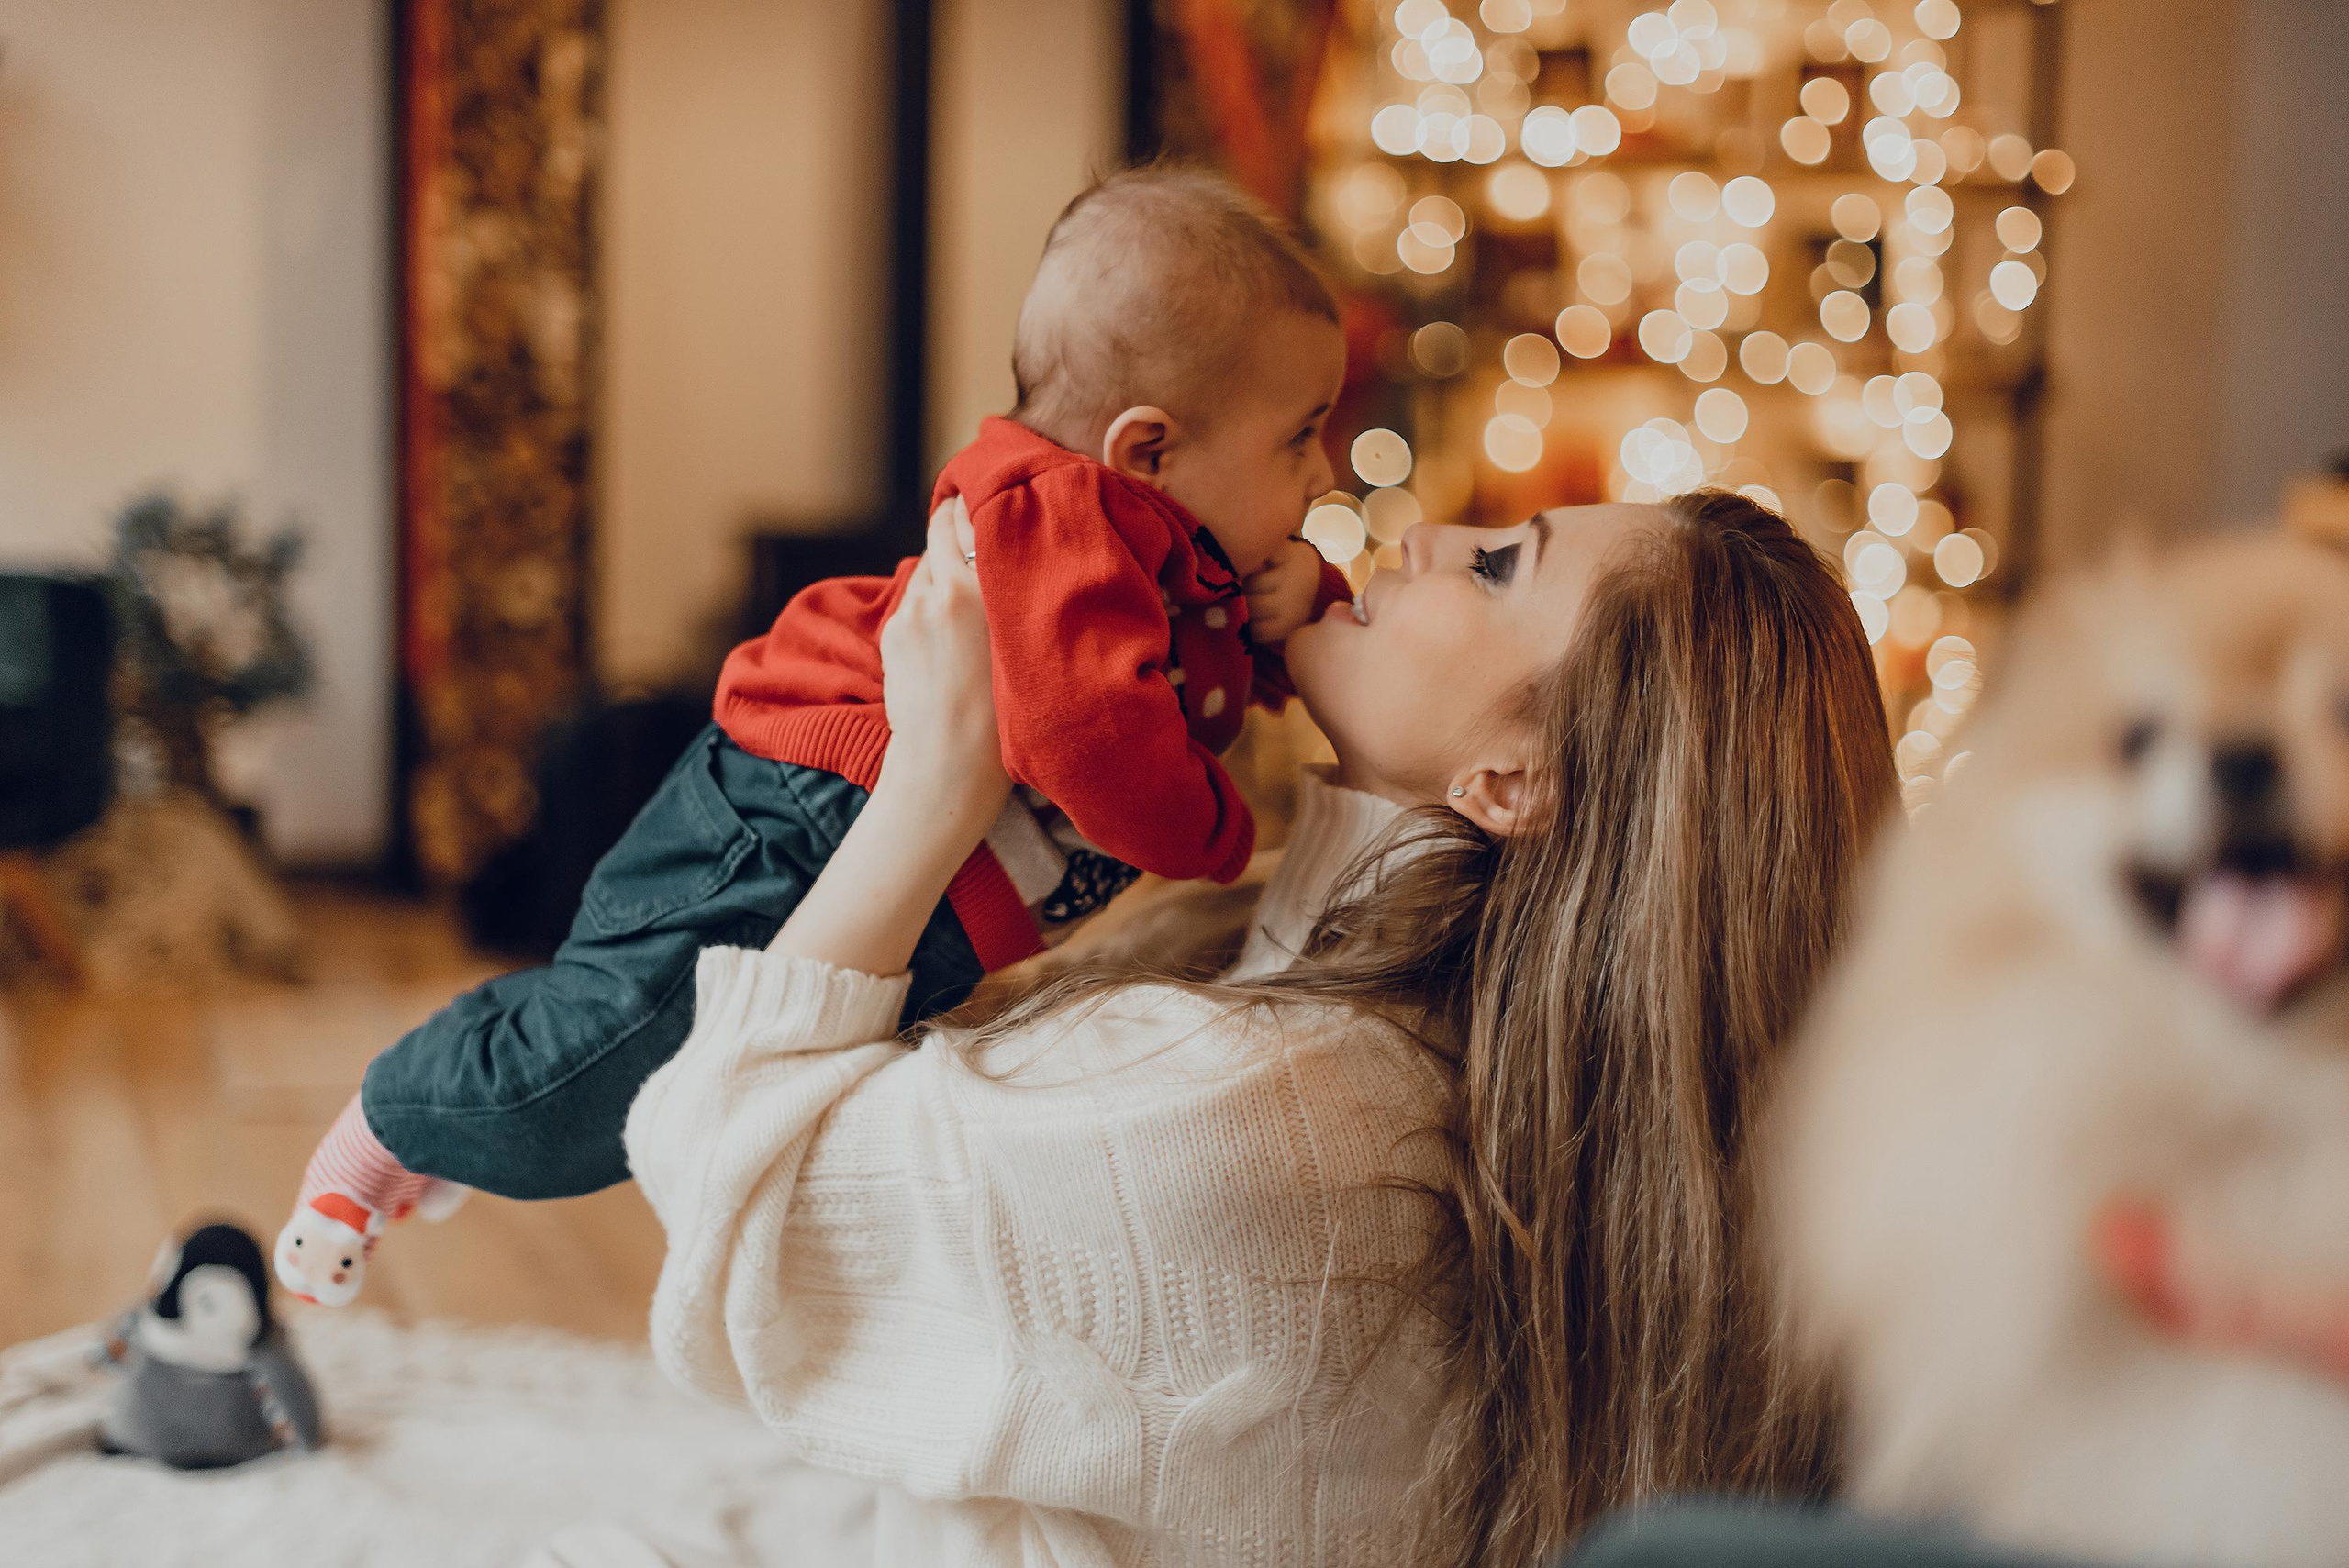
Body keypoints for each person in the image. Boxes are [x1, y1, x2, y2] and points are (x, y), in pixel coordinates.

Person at [579, 490, 1895, 1567]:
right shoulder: (1345, 1014)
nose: (1422, 533)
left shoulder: (1259, 1113)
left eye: (1495, 567)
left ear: (1513, 781)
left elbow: (722, 1203)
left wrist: (933, 782)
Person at [273, 165, 1353, 1307]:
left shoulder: (1154, 546)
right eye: (1302, 436)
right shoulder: (1056, 516)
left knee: (704, 1108)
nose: (1325, 472)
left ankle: (472, 1117)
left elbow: (1207, 659)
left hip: (889, 879)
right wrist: (1221, 830)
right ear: (1147, 452)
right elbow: (1094, 741)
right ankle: (394, 1120)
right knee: (607, 1065)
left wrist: (1297, 612)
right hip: (790, 825)